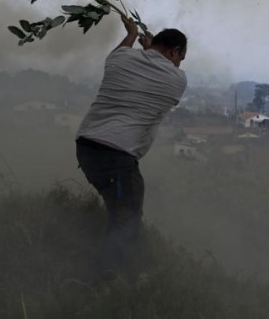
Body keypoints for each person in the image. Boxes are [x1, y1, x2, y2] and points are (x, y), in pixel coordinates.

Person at [75, 14, 187, 272]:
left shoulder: (118, 59)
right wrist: (149, 49)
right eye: (180, 58)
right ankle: (105, 280)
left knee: (121, 213)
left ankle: (119, 271)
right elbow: (160, 72)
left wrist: (131, 35)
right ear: (175, 51)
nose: (179, 64)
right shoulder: (178, 80)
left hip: (86, 147)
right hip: (116, 158)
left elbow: (129, 58)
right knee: (127, 224)